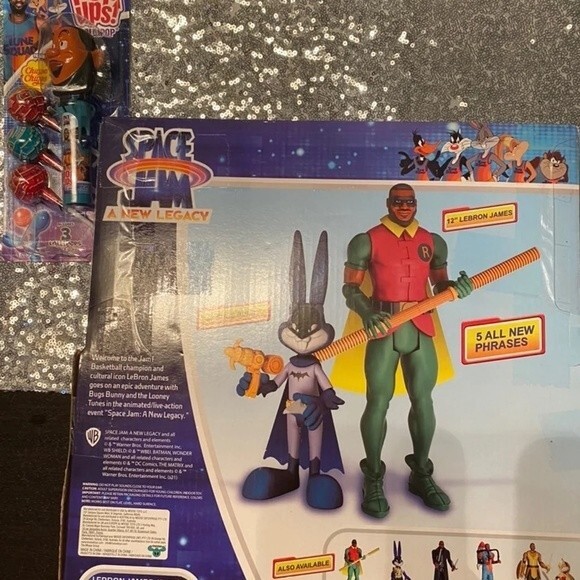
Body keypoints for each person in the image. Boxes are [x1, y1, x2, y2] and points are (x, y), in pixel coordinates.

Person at [342, 182, 472, 518]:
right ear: (388, 203)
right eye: (398, 202)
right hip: (385, 326)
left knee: (424, 400)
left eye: (409, 201)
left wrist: (456, 287)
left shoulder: (432, 241)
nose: (404, 207)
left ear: (416, 204)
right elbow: (350, 288)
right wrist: (367, 312)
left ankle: (421, 473)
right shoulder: (366, 240)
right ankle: (373, 477)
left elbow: (441, 284)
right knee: (378, 401)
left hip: (421, 326)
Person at [3, 0, 44, 80]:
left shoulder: (39, 23)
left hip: (33, 80)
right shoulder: (2, 23)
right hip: (8, 83)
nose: (19, 0)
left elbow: (48, 53)